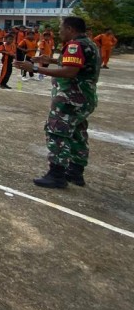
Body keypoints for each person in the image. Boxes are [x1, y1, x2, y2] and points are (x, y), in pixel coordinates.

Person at [15, 17, 100, 189]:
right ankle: (75, 172)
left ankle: (56, 174)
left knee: (57, 131)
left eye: (61, 29)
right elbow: (77, 64)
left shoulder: (75, 45)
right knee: (77, 133)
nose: (59, 32)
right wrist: (51, 60)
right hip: (84, 98)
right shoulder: (89, 44)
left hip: (71, 98)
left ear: (70, 29)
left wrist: (35, 68)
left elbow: (70, 71)